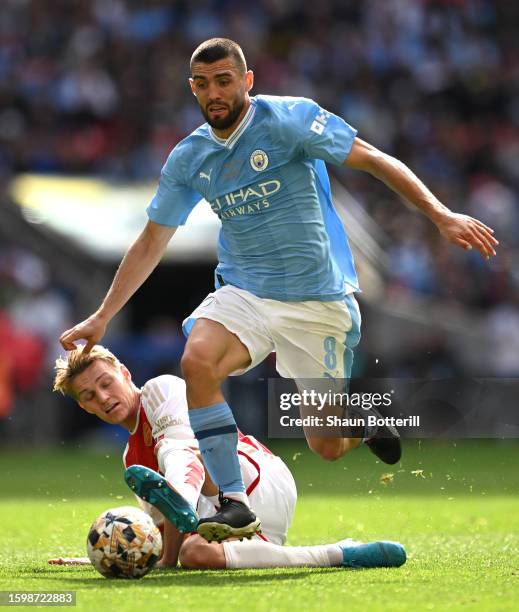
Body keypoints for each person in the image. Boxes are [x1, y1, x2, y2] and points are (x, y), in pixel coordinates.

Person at [59, 38, 498, 541]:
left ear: (246, 81)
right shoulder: (190, 157)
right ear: (193, 89)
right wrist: (102, 315)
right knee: (196, 361)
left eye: (225, 81)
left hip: (316, 300)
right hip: (244, 291)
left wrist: (440, 214)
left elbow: (374, 158)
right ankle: (233, 501)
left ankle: (362, 421)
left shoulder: (289, 121)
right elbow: (152, 240)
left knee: (326, 445)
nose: (215, 93)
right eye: (203, 84)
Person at [52, 345, 406, 570]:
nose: (103, 396)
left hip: (255, 482)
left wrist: (177, 517)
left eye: (105, 382)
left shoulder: (162, 389)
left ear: (125, 374)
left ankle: (181, 496)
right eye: (89, 395)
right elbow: (162, 540)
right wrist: (110, 555)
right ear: (84, 406)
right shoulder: (132, 460)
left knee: (178, 448)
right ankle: (341, 554)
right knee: (193, 554)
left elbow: (181, 446)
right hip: (235, 520)